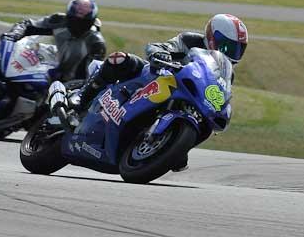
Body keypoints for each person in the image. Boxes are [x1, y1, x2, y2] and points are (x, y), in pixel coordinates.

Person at [76, 14, 249, 170]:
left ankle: (171, 143)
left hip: (183, 97)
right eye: (226, 45)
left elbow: (220, 92)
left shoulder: (226, 72)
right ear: (212, 36)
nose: (230, 52)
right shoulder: (190, 40)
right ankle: (80, 99)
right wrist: (161, 54)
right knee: (119, 59)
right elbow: (158, 46)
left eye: (236, 49)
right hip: (156, 75)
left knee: (206, 126)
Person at [2, 0, 107, 81]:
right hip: (42, 69)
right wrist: (14, 34)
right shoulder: (59, 20)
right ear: (68, 17)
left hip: (67, 87)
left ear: (91, 22)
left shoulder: (96, 44)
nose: (77, 26)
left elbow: (91, 76)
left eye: (83, 23)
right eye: (74, 20)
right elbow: (28, 24)